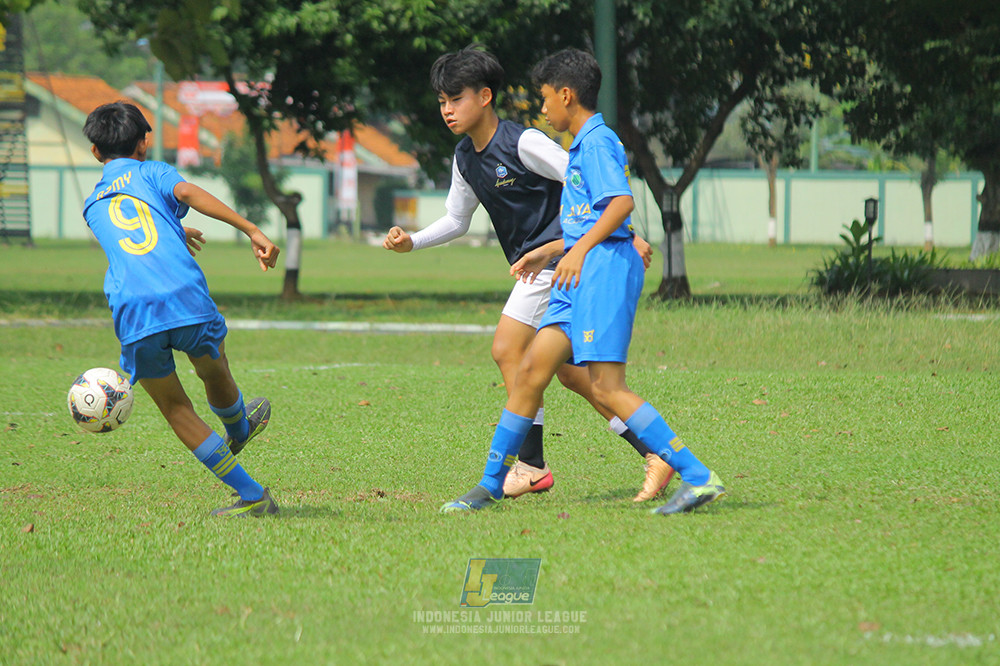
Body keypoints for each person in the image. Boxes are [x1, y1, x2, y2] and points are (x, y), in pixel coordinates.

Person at [441, 48, 726, 515]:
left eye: (546, 98)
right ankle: (492, 483)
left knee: (607, 386)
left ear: (567, 95)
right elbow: (586, 216)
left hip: (601, 273)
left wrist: (583, 249)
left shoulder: (594, 142)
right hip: (575, 274)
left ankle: (697, 475)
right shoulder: (580, 143)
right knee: (531, 370)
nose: (543, 108)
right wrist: (556, 249)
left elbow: (619, 204)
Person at [384, 46, 674, 503]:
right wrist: (413, 241)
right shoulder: (465, 157)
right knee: (577, 377)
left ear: (484, 97)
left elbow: (586, 181)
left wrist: (627, 234)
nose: (446, 110)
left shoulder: (524, 142)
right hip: (538, 269)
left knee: (508, 349)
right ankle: (656, 453)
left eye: (454, 100)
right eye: (441, 102)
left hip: (561, 261)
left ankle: (531, 466)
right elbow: (457, 219)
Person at [82, 101, 280, 517]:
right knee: (213, 368)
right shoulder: (153, 171)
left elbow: (131, 230)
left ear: (97, 153)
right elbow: (185, 192)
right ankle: (239, 426)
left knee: (176, 409)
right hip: (185, 296)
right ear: (144, 144)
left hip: (136, 311)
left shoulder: (93, 203)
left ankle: (252, 495)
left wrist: (171, 228)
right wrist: (252, 229)